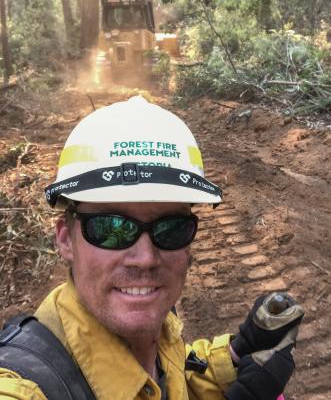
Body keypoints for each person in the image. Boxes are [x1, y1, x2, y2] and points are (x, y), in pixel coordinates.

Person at [0, 96, 304, 400]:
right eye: (112, 228)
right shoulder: (24, 388)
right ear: (65, 238)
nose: (145, 259)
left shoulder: (158, 334)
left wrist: (236, 354)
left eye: (171, 228)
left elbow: (171, 374)